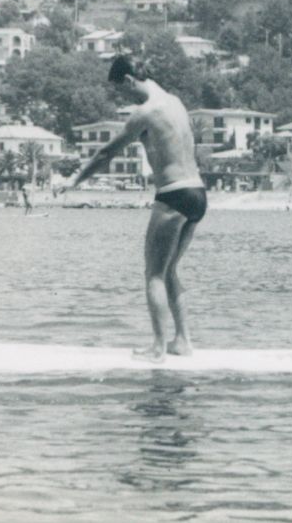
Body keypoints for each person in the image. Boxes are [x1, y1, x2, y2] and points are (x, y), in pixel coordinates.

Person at [59, 53, 206, 363]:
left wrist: (74, 181)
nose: (122, 98)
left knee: (153, 273)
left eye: (121, 90)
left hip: (173, 194)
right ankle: (183, 341)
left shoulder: (145, 112)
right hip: (198, 193)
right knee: (170, 271)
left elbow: (105, 154)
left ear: (128, 80)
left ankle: (157, 348)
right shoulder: (176, 102)